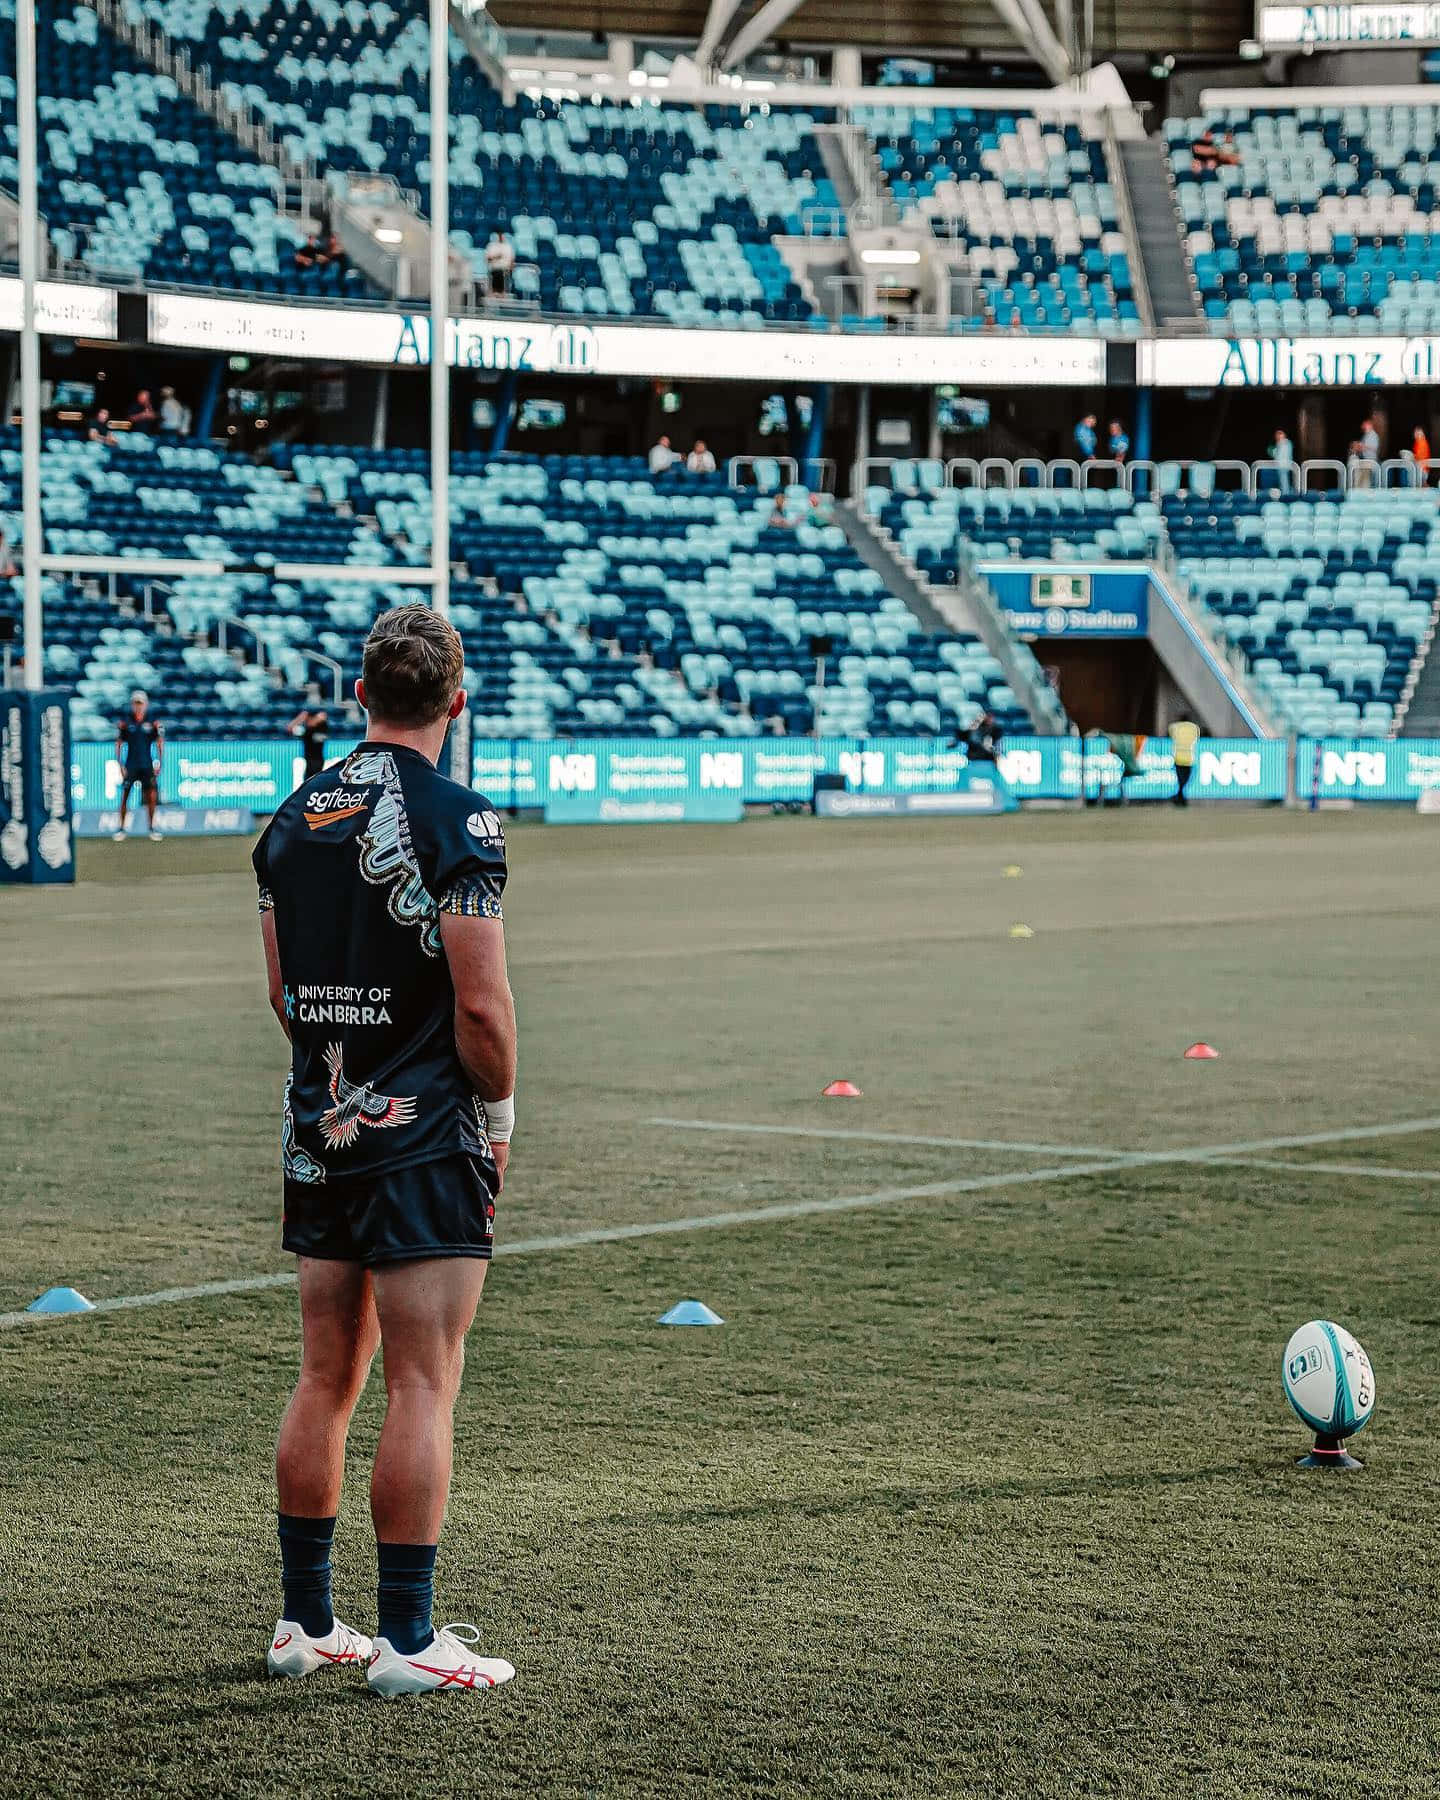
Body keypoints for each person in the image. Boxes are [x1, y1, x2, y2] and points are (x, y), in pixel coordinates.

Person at [254, 605, 517, 1698]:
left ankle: (307, 1625)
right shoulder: (460, 821)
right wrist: (494, 1118)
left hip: (321, 1119)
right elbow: (484, 1009)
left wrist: (333, 1074)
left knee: (326, 1373)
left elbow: (280, 992)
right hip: (419, 1138)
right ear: (456, 701)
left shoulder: (289, 818)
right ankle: (408, 1641)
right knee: (423, 1380)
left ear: (362, 695)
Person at [114, 689, 163, 840]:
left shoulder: (152, 721)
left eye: (140, 703)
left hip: (147, 764)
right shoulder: (126, 722)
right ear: (132, 705)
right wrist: (120, 764)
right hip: (131, 764)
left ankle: (152, 827)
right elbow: (119, 743)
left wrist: (159, 762)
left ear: (145, 704)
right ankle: (121, 828)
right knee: (125, 796)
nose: (138, 706)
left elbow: (159, 742)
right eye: (136, 703)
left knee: (151, 796)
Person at [289, 687, 330, 780]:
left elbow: (323, 716)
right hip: (309, 764)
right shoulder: (306, 731)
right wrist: (302, 717)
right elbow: (290, 728)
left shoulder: (322, 728)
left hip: (319, 763)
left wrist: (314, 718)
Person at [1170, 718, 1200, 806]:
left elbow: (1171, 734)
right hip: (1188, 759)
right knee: (1185, 780)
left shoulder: (1176, 727)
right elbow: (1197, 738)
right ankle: (1180, 798)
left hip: (1178, 758)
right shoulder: (1194, 727)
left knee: (1181, 780)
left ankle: (1179, 797)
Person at [484, 232, 515, 298]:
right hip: (494, 269)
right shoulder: (491, 246)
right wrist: (496, 257)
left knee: (503, 273)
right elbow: (488, 259)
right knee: (497, 272)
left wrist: (510, 268)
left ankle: (502, 292)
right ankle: (495, 291)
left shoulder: (508, 246)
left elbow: (512, 260)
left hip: (505, 270)